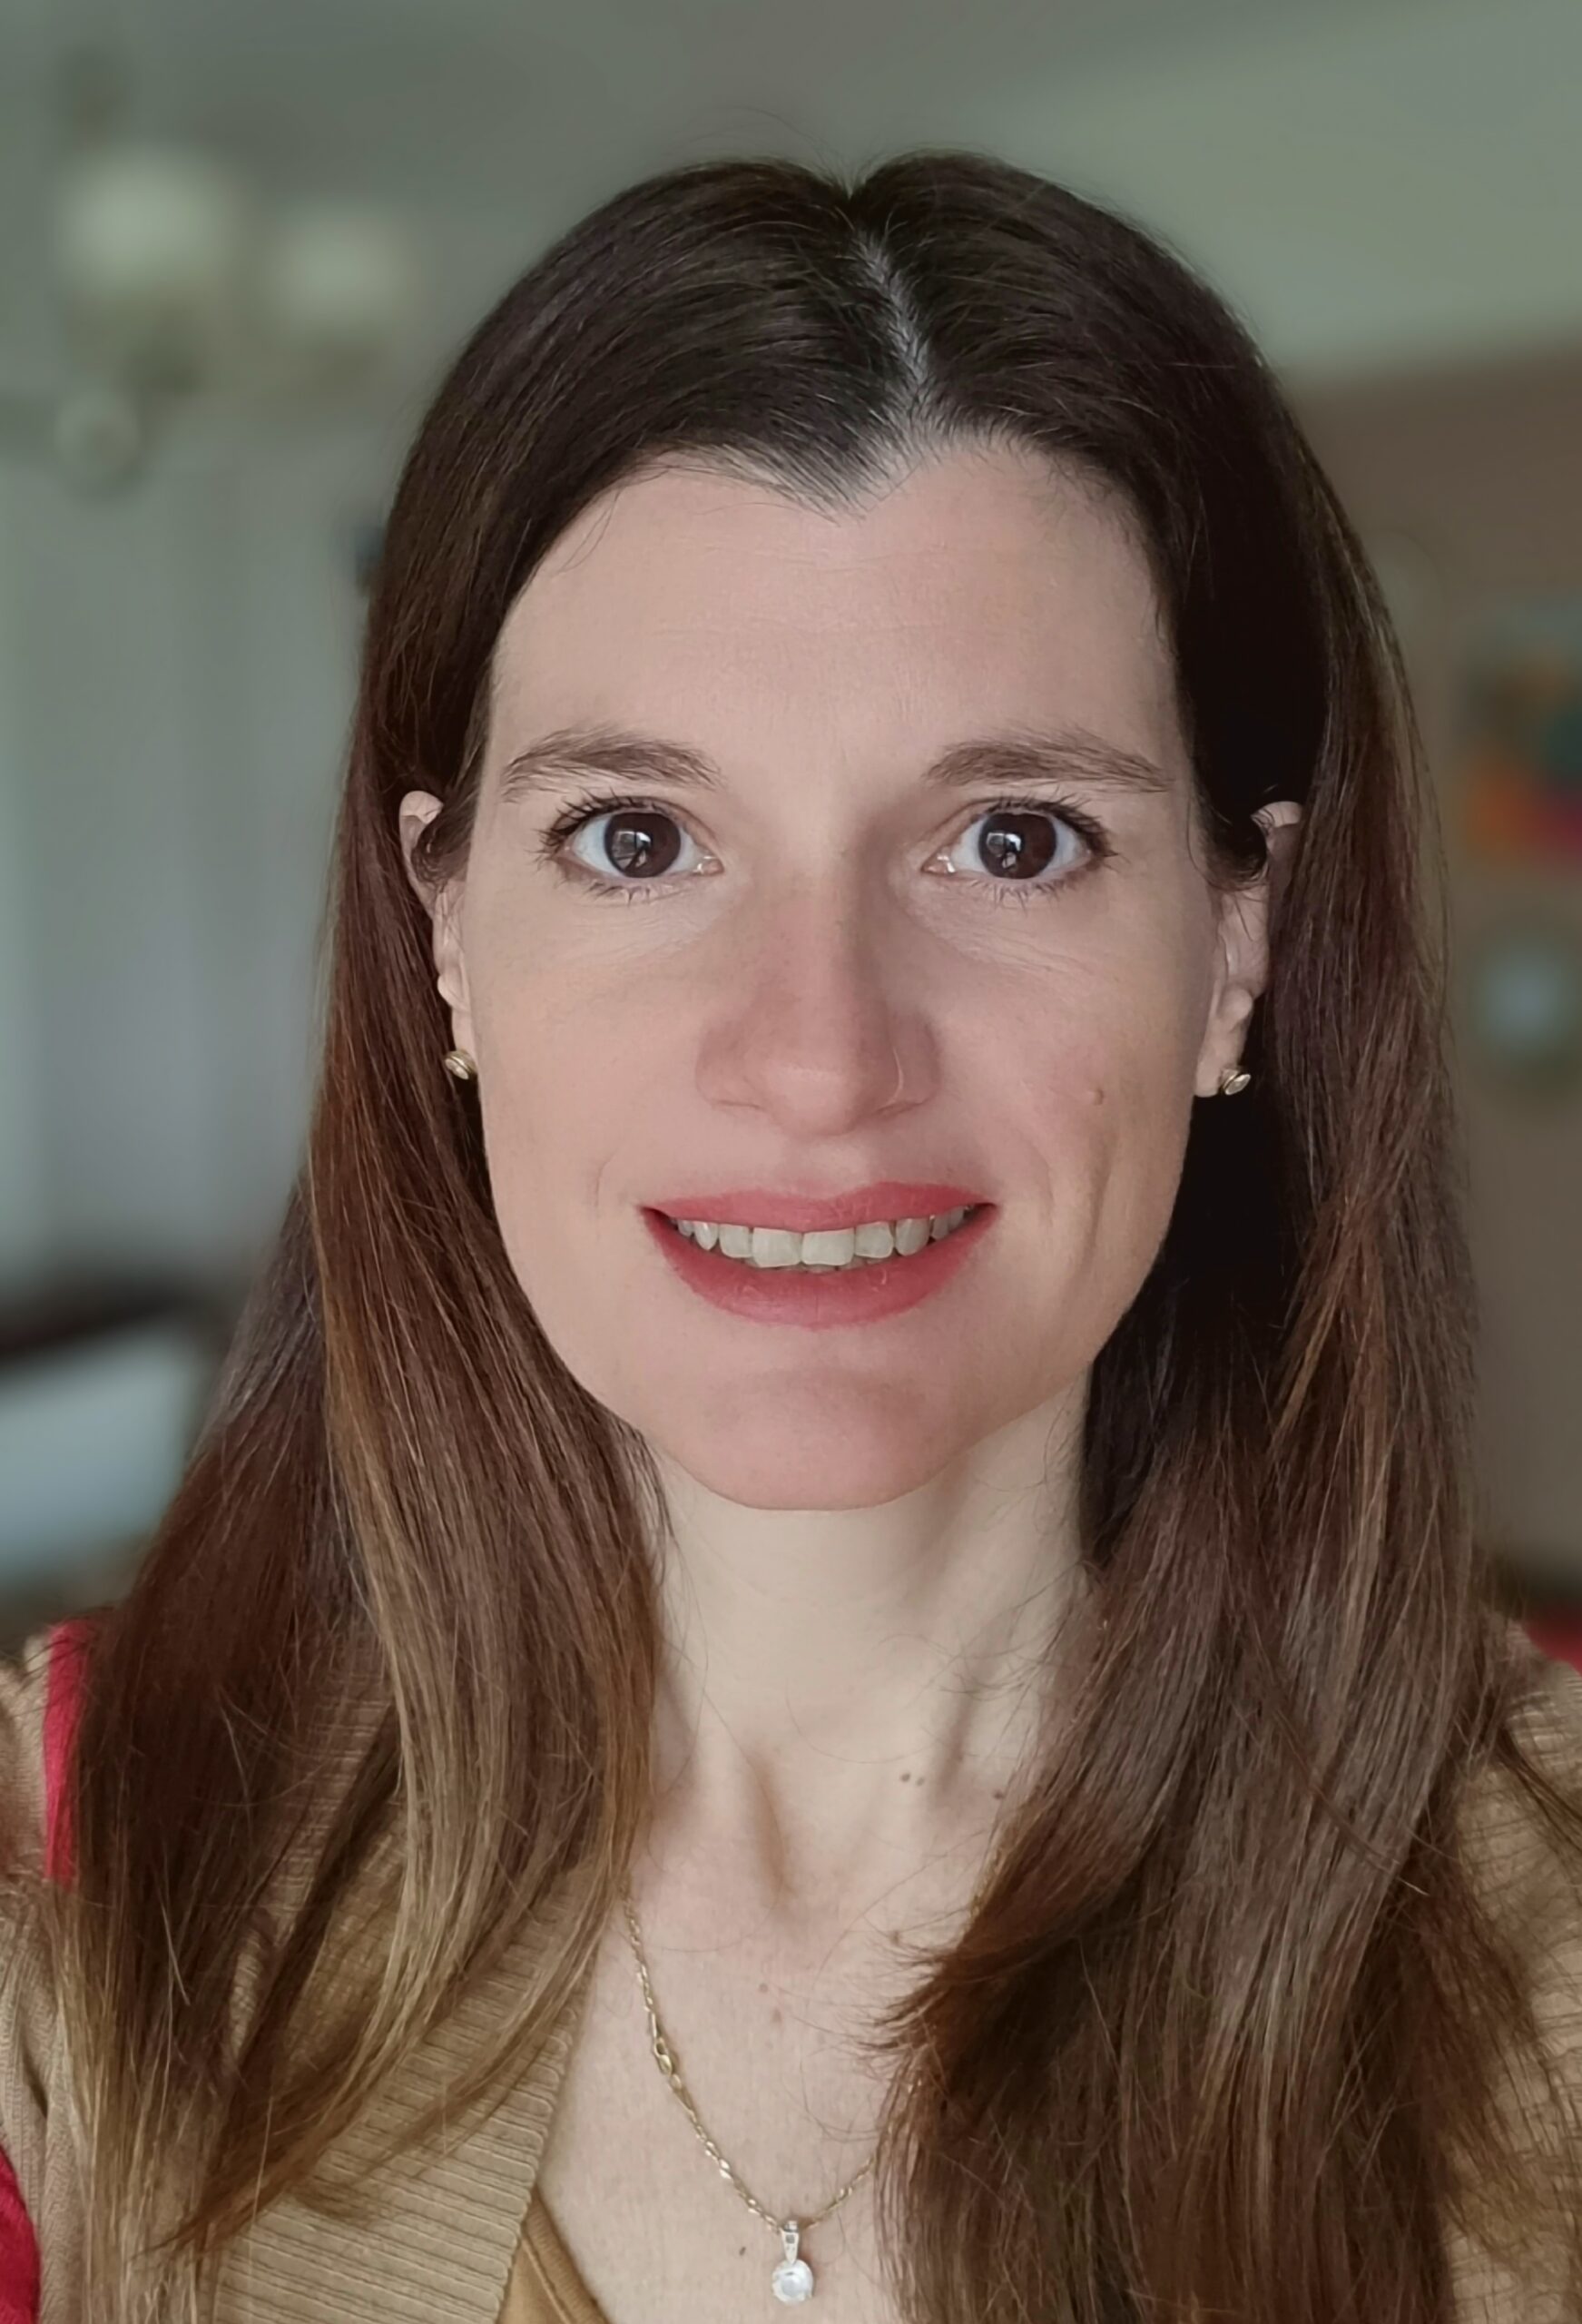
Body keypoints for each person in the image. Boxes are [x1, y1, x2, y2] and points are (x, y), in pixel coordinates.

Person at [0, 147, 1578, 2324]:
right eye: (637, 837)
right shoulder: (72, 1873)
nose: (819, 1059)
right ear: (446, 930)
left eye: (1009, 839)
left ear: (1233, 947)